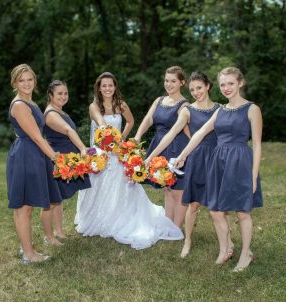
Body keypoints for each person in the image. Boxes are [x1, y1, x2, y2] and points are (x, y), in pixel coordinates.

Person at [74, 72, 184, 249]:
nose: (108, 88)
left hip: (117, 150)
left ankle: (120, 218)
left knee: (121, 187)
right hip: (101, 153)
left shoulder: (121, 105)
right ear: (99, 88)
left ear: (115, 86)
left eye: (111, 85)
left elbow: (131, 121)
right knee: (99, 186)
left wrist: (123, 139)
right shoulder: (94, 106)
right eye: (104, 86)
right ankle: (99, 218)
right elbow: (102, 125)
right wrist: (111, 142)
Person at [175, 67, 263, 272]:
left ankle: (245, 254)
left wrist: (253, 175)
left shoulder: (252, 109)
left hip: (240, 162)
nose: (226, 88)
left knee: (242, 212)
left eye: (230, 83)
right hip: (219, 162)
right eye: (223, 84)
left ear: (240, 83)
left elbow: (257, 144)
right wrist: (182, 155)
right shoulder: (220, 110)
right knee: (215, 210)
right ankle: (225, 249)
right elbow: (200, 134)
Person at [145, 71, 234, 258]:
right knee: (193, 204)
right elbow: (170, 134)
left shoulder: (221, 109)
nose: (196, 92)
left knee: (217, 205)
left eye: (199, 88)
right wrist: (150, 156)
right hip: (197, 159)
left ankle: (228, 242)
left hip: (217, 159)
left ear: (208, 86)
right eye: (192, 89)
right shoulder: (187, 111)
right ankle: (187, 241)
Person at [6, 64, 57, 264]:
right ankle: (29, 254)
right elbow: (36, 137)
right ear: (14, 83)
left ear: (34, 81)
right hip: (26, 155)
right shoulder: (19, 105)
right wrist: (56, 158)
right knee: (24, 207)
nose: (26, 84)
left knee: (25, 206)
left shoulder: (30, 102)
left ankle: (24, 247)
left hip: (33, 154)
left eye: (29, 79)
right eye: (21, 80)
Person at [134, 66, 189, 228]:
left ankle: (177, 229)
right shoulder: (159, 100)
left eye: (173, 81)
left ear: (182, 82)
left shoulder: (184, 105)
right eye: (166, 80)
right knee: (166, 187)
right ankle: (168, 223)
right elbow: (148, 118)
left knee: (177, 190)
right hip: (159, 144)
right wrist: (138, 136)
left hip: (176, 147)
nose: (169, 84)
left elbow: (176, 132)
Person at [41, 80, 92, 245]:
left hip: (65, 159)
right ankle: (50, 237)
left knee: (58, 199)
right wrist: (83, 149)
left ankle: (59, 231)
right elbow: (68, 131)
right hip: (56, 160)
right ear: (50, 95)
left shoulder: (60, 111)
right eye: (59, 94)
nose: (63, 96)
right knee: (51, 200)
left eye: (66, 93)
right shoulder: (51, 113)